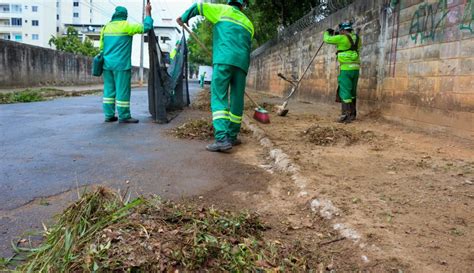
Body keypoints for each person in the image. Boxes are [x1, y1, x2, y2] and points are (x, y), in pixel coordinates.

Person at [177, 0, 253, 152]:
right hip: (242, 64)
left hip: (224, 59)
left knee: (219, 96)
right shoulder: (249, 23)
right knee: (237, 99)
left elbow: (198, 6)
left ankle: (222, 138)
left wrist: (184, 17)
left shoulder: (221, 10)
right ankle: (232, 136)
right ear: (242, 5)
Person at [99, 4, 153, 123]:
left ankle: (109, 115)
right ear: (125, 16)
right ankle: (124, 116)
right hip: (121, 65)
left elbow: (101, 47)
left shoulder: (106, 27)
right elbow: (146, 27)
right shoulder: (126, 26)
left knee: (108, 91)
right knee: (122, 91)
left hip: (107, 65)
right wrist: (148, 13)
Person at [323, 21, 361, 123]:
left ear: (343, 30)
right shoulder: (357, 38)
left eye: (341, 31)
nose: (340, 32)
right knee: (352, 92)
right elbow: (349, 43)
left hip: (346, 69)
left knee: (345, 91)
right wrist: (339, 37)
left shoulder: (341, 38)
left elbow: (327, 39)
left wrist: (327, 32)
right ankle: (353, 114)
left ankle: (345, 115)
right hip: (356, 69)